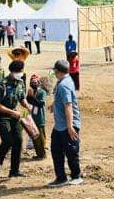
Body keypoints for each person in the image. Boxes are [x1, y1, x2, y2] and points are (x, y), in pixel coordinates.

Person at [0, 59, 29, 178]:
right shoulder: (1, 84)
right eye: (19, 72)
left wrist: (27, 106)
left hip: (14, 115)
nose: (21, 74)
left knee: (18, 140)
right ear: (12, 72)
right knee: (8, 140)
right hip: (0, 116)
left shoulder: (20, 83)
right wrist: (12, 112)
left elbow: (22, 98)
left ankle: (14, 170)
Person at [47, 59, 82, 188]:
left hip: (67, 125)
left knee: (71, 151)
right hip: (60, 125)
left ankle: (76, 176)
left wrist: (70, 126)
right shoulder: (64, 81)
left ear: (57, 71)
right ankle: (61, 177)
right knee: (56, 150)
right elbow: (63, 100)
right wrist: (54, 105)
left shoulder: (63, 85)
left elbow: (68, 105)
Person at [26, 73, 49, 160]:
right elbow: (27, 103)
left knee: (41, 137)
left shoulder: (42, 92)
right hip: (32, 118)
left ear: (38, 83)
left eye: (35, 82)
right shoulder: (31, 92)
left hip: (39, 118)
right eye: (32, 82)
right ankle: (38, 154)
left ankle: (43, 154)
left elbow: (41, 104)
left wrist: (32, 97)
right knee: (34, 137)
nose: (33, 84)